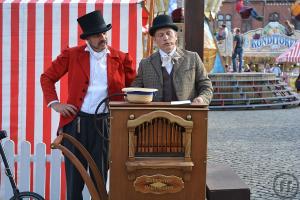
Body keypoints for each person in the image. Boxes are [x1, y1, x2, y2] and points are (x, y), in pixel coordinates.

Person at [40, 10, 136, 200]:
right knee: (75, 181)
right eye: (97, 35)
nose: (102, 38)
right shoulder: (72, 54)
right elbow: (47, 77)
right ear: (88, 38)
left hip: (104, 125)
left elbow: (133, 88)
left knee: (100, 179)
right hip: (76, 124)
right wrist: (55, 104)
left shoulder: (121, 58)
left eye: (103, 33)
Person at [132, 14, 213, 104]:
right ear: (155, 40)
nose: (166, 38)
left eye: (168, 33)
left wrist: (201, 99)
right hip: (155, 115)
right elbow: (136, 89)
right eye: (161, 35)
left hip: (187, 113)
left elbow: (206, 86)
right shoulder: (145, 64)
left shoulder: (192, 58)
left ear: (176, 36)